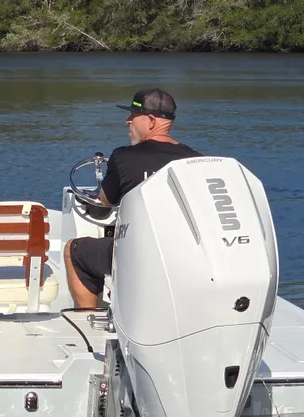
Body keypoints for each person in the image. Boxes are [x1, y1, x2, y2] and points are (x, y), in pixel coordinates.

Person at [63, 88, 203, 308]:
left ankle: (87, 320)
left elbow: (106, 201)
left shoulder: (123, 156)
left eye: (132, 116)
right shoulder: (196, 159)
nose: (127, 122)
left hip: (137, 256)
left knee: (74, 250)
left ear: (149, 120)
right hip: (185, 256)